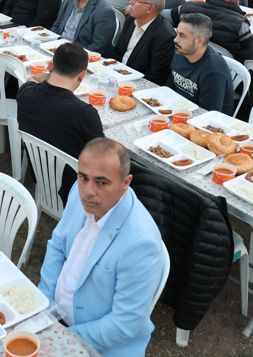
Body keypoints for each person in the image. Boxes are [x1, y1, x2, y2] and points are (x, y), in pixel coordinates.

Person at [38, 137, 164, 357]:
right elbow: (57, 246)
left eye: (102, 182)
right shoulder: (80, 197)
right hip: (55, 322)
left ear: (126, 183)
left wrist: (63, 337)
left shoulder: (141, 244)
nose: (88, 191)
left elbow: (123, 325)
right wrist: (45, 307)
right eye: (83, 177)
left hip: (100, 345)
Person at [17, 43, 103, 199]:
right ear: (82, 75)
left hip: (39, 174)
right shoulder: (85, 113)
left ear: (50, 66)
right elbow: (101, 158)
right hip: (74, 188)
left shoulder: (24, 93)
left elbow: (33, 78)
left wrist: (51, 75)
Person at [51, 0, 117, 54]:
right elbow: (57, 26)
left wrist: (68, 54)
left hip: (79, 58)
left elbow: (97, 47)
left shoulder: (104, 12)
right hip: (57, 50)